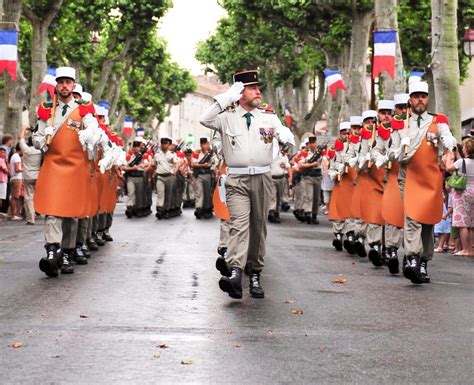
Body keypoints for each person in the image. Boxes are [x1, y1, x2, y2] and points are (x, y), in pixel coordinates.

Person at [199, 69, 294, 299]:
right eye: (252, 88)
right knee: (239, 225)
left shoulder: (268, 117)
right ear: (240, 92)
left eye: (257, 87)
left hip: (262, 177)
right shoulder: (226, 116)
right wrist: (226, 97)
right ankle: (235, 273)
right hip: (237, 179)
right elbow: (205, 118)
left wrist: (285, 135)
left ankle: (255, 273)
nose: (258, 91)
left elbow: (281, 131)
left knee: (258, 227)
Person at [33, 66, 104, 277]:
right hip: (53, 165)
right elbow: (37, 137)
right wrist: (41, 141)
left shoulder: (83, 108)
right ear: (57, 85)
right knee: (52, 209)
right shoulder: (47, 108)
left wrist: (89, 134)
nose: (64, 86)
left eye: (68, 82)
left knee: (71, 212)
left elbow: (94, 128)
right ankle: (53, 250)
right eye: (61, 82)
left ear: (73, 86)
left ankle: (67, 251)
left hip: (75, 166)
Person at [396, 81, 457, 284]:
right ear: (410, 100)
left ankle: (423, 260)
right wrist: (399, 149)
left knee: (428, 221)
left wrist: (449, 141)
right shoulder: (402, 123)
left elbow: (448, 136)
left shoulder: (437, 121)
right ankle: (411, 258)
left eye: (423, 96)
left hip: (431, 177)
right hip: (410, 175)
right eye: (416, 96)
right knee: (412, 217)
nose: (420, 99)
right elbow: (390, 153)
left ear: (427, 98)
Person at [445, 137, 473, 256]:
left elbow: (448, 168)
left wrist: (450, 155)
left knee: (462, 223)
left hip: (462, 192)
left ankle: (466, 249)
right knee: (472, 223)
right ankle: (471, 250)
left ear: (466, 149)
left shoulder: (461, 162)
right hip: (473, 190)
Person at [328, 122, 352, 251]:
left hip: (352, 182)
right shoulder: (335, 149)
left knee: (350, 209)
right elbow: (332, 165)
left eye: (348, 133)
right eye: (344, 133)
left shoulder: (356, 145)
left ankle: (350, 234)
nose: (346, 136)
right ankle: (338, 234)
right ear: (340, 134)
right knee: (338, 209)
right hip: (340, 181)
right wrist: (339, 168)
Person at [18, 127, 42, 225]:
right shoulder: (40, 151)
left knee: (29, 197)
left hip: (28, 176)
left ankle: (31, 218)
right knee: (40, 194)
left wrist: (24, 129)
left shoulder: (26, 150)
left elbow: (20, 138)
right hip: (39, 175)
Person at [151, 137, 179, 219]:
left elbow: (176, 164)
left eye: (165, 143)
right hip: (160, 177)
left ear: (169, 145)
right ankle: (160, 209)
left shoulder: (172, 154)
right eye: (162, 143)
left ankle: (166, 210)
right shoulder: (157, 155)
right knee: (160, 194)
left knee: (168, 195)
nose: (163, 145)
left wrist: (175, 171)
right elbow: (154, 165)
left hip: (169, 176)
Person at [298, 135, 323, 224]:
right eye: (311, 143)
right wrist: (312, 164)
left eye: (314, 143)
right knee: (309, 196)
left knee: (316, 198)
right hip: (308, 177)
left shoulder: (320, 153)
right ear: (308, 144)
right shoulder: (305, 153)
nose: (313, 145)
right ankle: (308, 213)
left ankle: (314, 215)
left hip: (317, 176)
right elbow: (300, 165)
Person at [191, 137, 216, 219]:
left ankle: (207, 209)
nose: (203, 145)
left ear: (208, 144)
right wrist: (202, 165)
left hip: (208, 175)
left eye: (205, 144)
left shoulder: (211, 154)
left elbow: (215, 163)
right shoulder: (196, 153)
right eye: (202, 144)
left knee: (208, 193)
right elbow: (193, 164)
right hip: (199, 175)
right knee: (199, 192)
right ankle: (199, 208)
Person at [269, 141, 291, 223]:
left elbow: (288, 167)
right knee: (272, 196)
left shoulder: (283, 156)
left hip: (281, 178)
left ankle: (277, 213)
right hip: (272, 178)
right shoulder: (270, 155)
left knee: (279, 197)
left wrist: (290, 178)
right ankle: (271, 211)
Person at [9, 143, 23, 221]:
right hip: (17, 178)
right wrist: (24, 170)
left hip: (13, 178)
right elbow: (17, 169)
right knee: (15, 197)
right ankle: (14, 215)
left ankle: (14, 214)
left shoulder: (13, 156)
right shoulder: (17, 157)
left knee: (13, 197)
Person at [0, 147, 9, 217]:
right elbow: (7, 171)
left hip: (2, 180)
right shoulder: (1, 160)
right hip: (2, 180)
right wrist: (7, 161)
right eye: (2, 152)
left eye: (4, 152)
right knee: (1, 197)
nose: (4, 154)